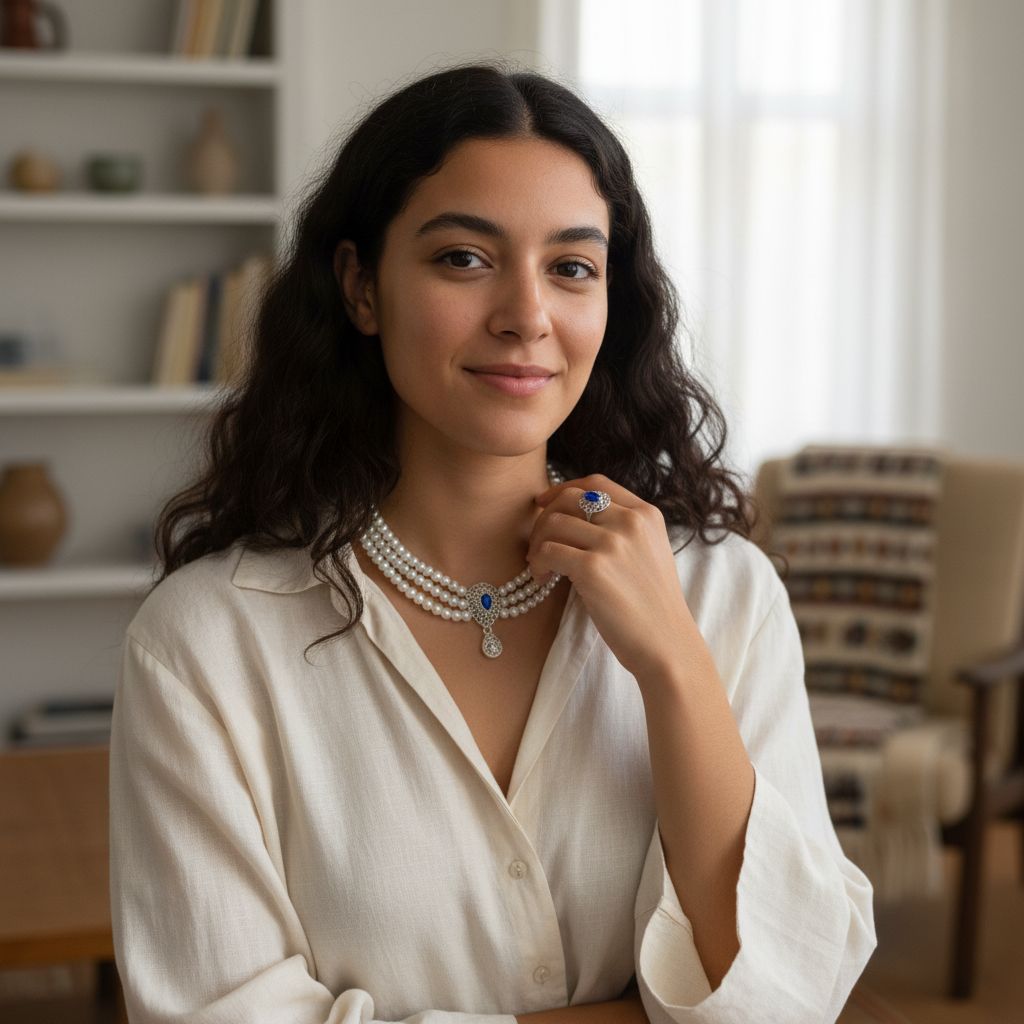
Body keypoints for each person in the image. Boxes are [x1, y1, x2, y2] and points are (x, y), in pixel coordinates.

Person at [109, 59, 876, 1024]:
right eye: (463, 259)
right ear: (360, 288)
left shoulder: (726, 597)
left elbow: (788, 994)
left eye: (572, 267)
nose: (526, 316)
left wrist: (676, 668)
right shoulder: (204, 643)